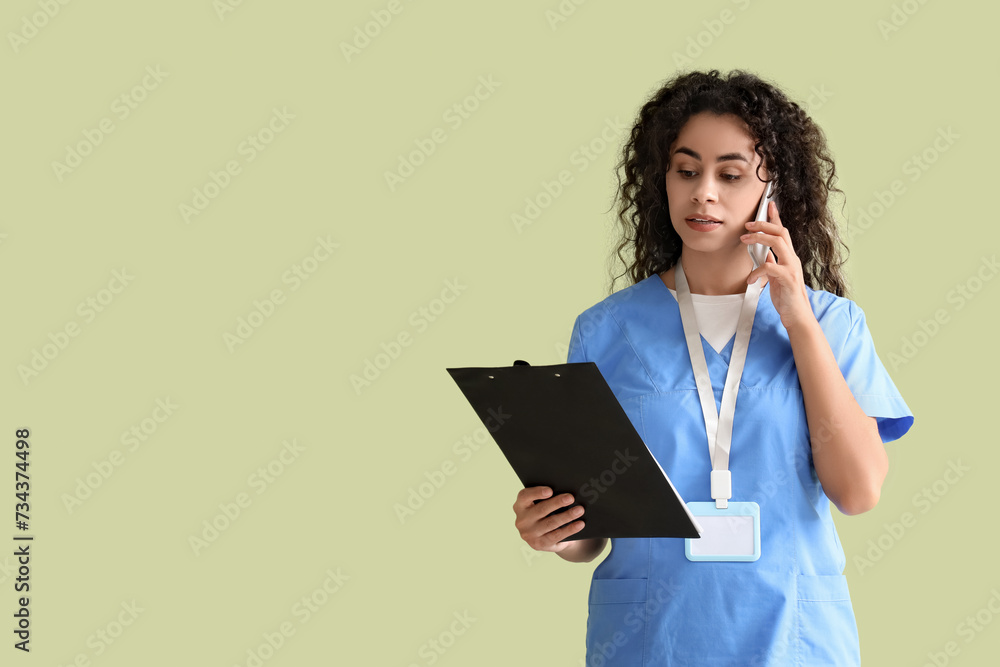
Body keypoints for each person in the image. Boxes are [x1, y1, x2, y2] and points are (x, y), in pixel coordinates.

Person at [512, 69, 914, 665]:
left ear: (771, 188)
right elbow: (590, 532)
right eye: (686, 170)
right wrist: (557, 530)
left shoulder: (833, 324)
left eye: (729, 174)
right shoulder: (605, 329)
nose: (704, 192)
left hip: (792, 640)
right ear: (663, 181)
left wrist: (798, 320)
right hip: (652, 642)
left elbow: (857, 492)